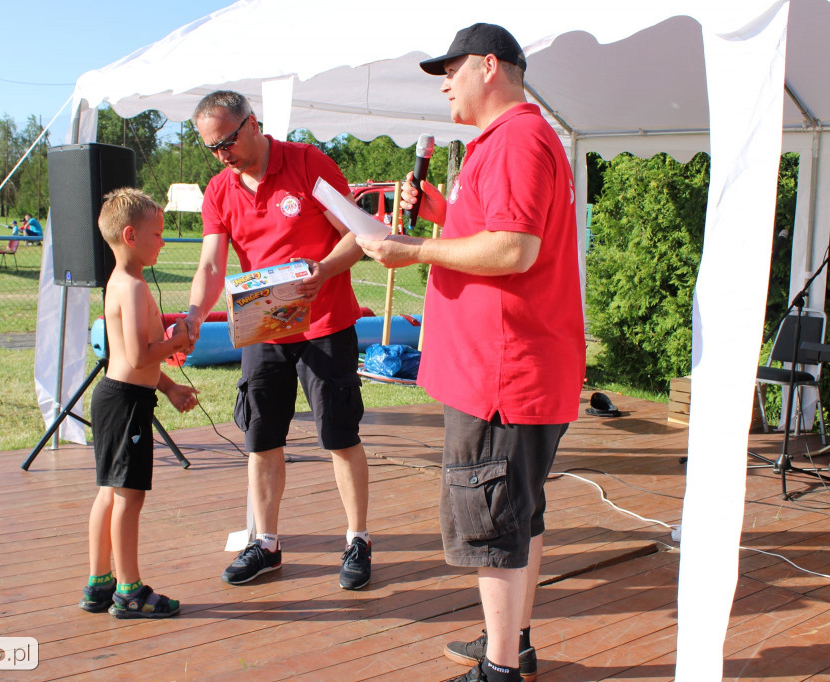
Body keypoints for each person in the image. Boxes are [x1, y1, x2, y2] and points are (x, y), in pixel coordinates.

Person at [356, 24, 585, 682]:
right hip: (513, 368)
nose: (445, 83)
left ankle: (501, 669)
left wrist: (415, 250)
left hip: (502, 375)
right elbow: (496, 230)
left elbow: (514, 249)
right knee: (517, 516)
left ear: (490, 67)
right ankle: (512, 642)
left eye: (451, 70)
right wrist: (437, 211)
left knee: (493, 525)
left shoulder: (515, 140)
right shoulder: (516, 140)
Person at [185, 90, 372, 590]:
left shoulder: (308, 163)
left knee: (340, 434)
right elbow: (210, 265)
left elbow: (358, 235)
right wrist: (193, 314)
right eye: (212, 148)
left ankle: (358, 539)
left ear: (252, 124)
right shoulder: (220, 189)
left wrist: (325, 269)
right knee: (261, 438)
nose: (222, 154)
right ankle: (265, 544)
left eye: (227, 141)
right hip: (263, 330)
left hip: (326, 323)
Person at [79, 187, 199, 619]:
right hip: (125, 403)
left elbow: (128, 360)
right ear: (131, 236)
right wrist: (180, 339)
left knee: (110, 494)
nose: (163, 241)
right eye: (158, 233)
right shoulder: (129, 287)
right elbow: (137, 356)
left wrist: (166, 386)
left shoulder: (128, 282)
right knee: (129, 498)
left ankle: (99, 584)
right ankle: (129, 590)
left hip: (121, 397)